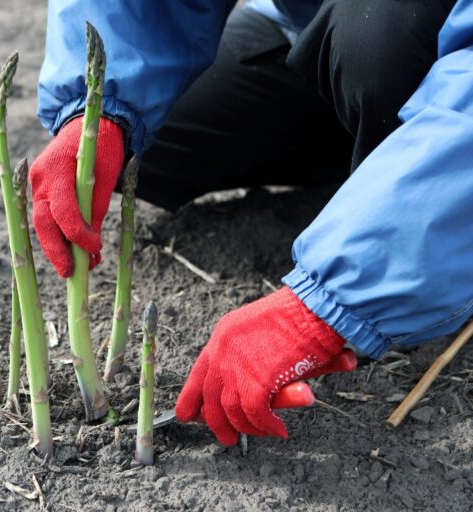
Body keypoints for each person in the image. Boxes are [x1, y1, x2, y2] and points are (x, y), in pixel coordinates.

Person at [28, 0, 473, 446]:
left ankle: (425, 231)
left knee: (375, 36)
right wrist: (101, 110)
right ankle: (383, 153)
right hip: (311, 33)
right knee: (152, 143)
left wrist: (334, 302)